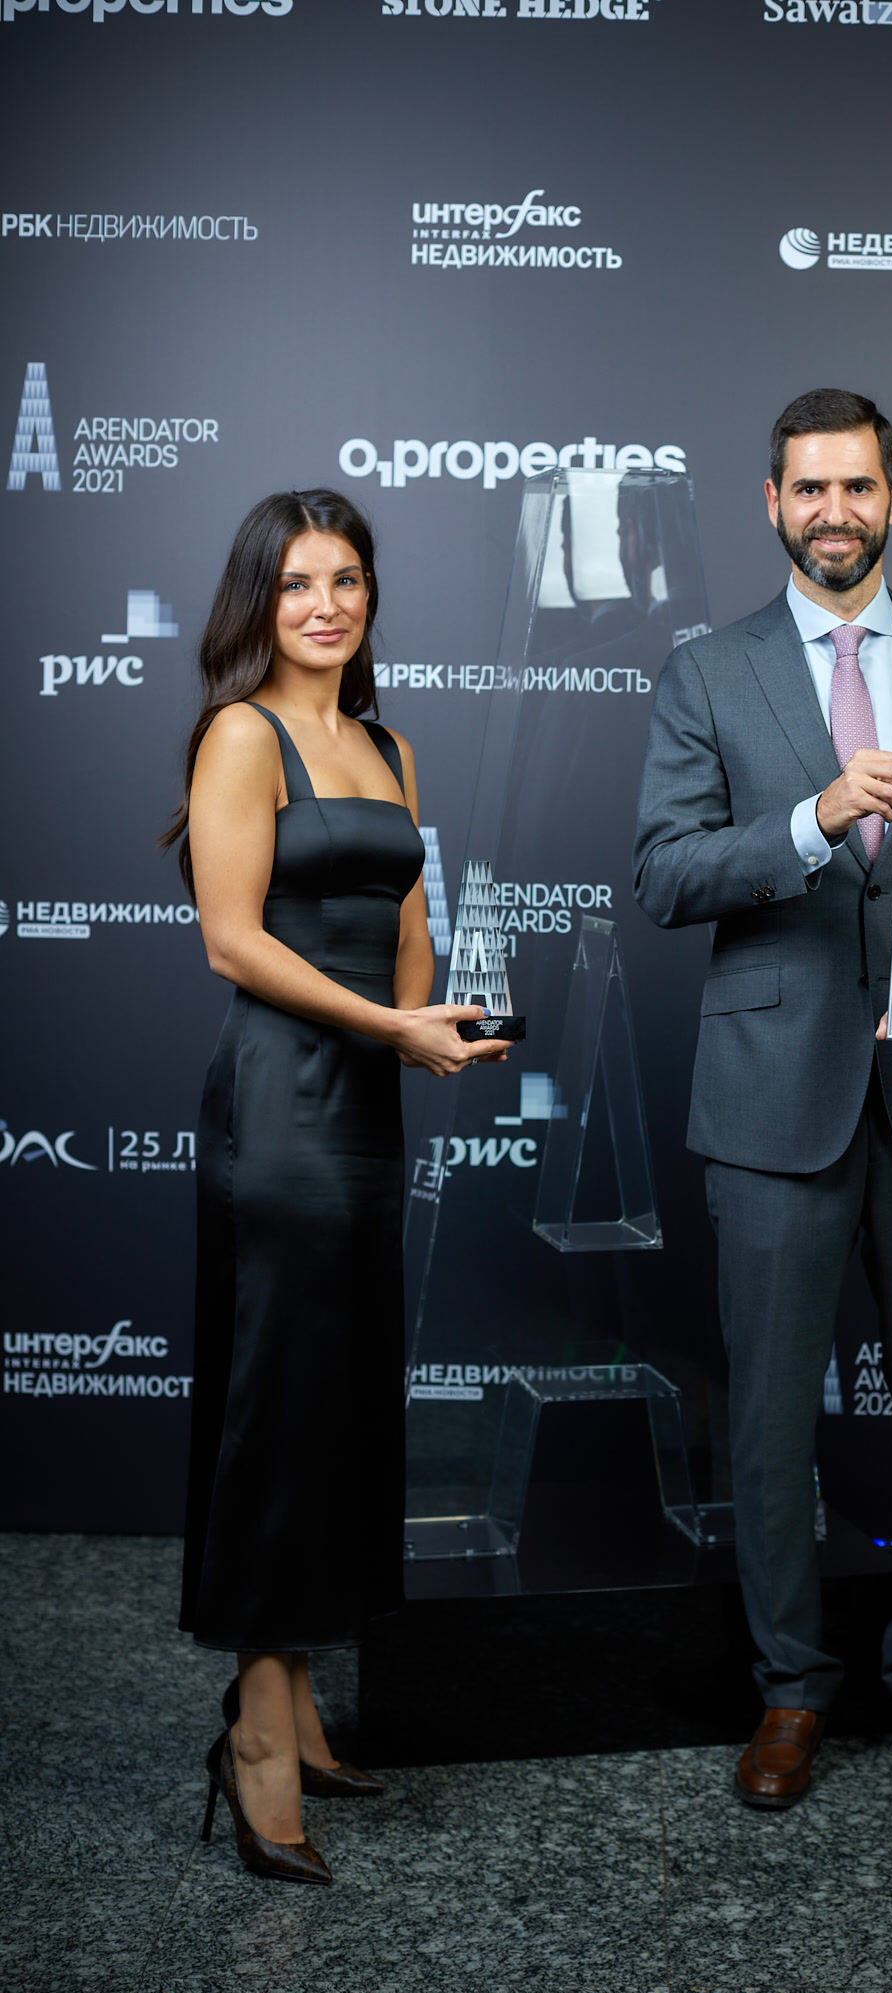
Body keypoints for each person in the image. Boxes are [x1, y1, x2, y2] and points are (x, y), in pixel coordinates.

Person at [634, 390, 892, 1810]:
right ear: (772, 503)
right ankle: (790, 1686)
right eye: (808, 489)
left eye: (857, 487)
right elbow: (664, 874)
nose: (833, 512)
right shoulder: (706, 671)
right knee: (771, 1420)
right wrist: (813, 817)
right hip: (771, 1098)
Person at [164, 490, 511, 1886]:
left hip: (367, 1110)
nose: (327, 605)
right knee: (278, 1419)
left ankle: (301, 1708)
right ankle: (254, 1736)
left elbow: (409, 920)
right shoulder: (240, 735)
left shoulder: (387, 744)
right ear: (260, 600)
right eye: (299, 582)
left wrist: (433, 1027)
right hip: (278, 1110)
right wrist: (389, 1029)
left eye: (348, 580)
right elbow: (230, 942)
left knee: (339, 1410)